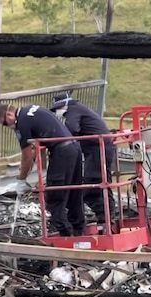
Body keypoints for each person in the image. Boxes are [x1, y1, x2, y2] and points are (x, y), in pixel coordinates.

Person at [0, 103, 85, 237]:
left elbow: (27, 156)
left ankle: (66, 235)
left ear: (9, 115)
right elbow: (35, 148)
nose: (7, 127)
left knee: (55, 196)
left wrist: (21, 180)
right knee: (73, 192)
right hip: (74, 147)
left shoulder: (22, 123)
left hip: (62, 152)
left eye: (5, 123)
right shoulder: (31, 110)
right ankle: (79, 231)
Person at [50, 93, 117, 224]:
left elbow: (72, 128)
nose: (57, 113)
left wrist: (58, 137)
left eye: (57, 109)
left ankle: (105, 215)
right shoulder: (78, 109)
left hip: (98, 148)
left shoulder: (73, 110)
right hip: (100, 148)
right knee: (101, 181)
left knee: (93, 182)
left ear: (64, 106)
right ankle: (106, 215)